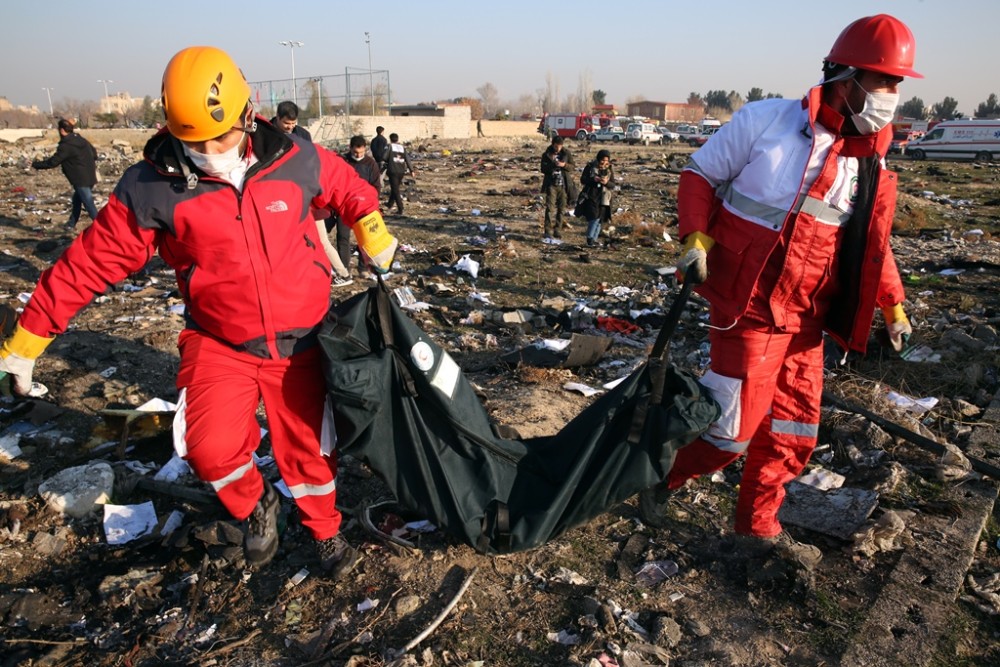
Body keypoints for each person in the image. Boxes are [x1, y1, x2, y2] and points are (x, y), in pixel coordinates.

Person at [0, 46, 398, 576]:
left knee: (308, 451)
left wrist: (372, 229)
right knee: (207, 448)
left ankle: (324, 532)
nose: (210, 149)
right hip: (220, 342)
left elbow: (350, 188)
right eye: (195, 141)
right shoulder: (150, 188)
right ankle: (257, 507)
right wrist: (25, 342)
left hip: (301, 342)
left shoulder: (296, 157)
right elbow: (86, 266)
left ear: (247, 112)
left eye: (221, 136)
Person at [638, 14, 921, 570]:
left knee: (792, 431)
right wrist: (695, 237)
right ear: (846, 76)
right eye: (884, 82)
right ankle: (660, 475)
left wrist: (894, 302)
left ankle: (757, 528)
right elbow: (699, 175)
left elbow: (871, 244)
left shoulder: (871, 162)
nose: (891, 96)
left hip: (807, 320)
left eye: (897, 84)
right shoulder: (765, 123)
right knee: (730, 432)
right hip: (745, 306)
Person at [269, 101, 352, 285]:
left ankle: (342, 273)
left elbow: (311, 162)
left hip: (305, 195)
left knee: (321, 238)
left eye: (293, 123)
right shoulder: (265, 133)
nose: (290, 127)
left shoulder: (302, 135)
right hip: (276, 195)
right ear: (277, 118)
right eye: (286, 124)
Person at [32, 118, 99, 230]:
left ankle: (102, 228)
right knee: (77, 200)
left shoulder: (66, 146)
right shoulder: (81, 139)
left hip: (80, 179)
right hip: (90, 175)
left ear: (62, 131)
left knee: (89, 204)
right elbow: (94, 154)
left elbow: (53, 162)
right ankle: (71, 224)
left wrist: (36, 165)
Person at [336, 135, 383, 280]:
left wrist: (370, 202)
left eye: (361, 153)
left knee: (365, 238)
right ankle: (344, 269)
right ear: (350, 148)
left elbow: (376, 186)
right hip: (344, 206)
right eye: (356, 153)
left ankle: (363, 268)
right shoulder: (342, 161)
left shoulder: (370, 164)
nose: (358, 155)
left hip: (363, 208)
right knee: (343, 237)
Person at [540, 135, 575, 240]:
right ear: (552, 144)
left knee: (561, 209)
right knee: (550, 209)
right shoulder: (546, 154)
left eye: (560, 146)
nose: (558, 148)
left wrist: (564, 165)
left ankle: (557, 230)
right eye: (556, 146)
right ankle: (547, 231)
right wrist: (553, 165)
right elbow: (543, 169)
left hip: (563, 185)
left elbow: (572, 167)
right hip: (551, 185)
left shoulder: (566, 154)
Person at [579, 149, 614, 246]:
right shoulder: (590, 167)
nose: (604, 163)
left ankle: (594, 239)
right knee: (593, 217)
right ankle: (590, 238)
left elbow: (613, 184)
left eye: (606, 161)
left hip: (604, 197)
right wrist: (593, 179)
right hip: (591, 195)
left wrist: (606, 183)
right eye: (603, 160)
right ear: (598, 159)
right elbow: (583, 180)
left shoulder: (609, 170)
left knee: (600, 218)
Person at [382, 132, 414, 216]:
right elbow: (408, 159)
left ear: (390, 139)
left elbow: (384, 157)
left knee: (395, 189)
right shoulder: (402, 147)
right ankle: (390, 204)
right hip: (401, 171)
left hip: (393, 170)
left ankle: (400, 208)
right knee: (395, 187)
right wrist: (411, 170)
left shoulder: (390, 146)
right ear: (397, 139)